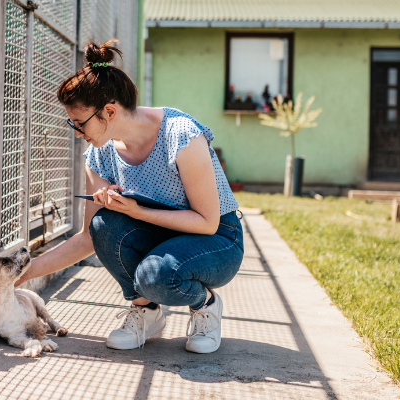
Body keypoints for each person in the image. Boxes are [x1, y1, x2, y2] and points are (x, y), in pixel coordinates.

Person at [12, 40, 244, 354]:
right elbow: (87, 238)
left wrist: (136, 211)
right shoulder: (98, 153)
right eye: (73, 124)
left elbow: (207, 222)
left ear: (109, 111)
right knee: (103, 224)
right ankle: (145, 312)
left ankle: (206, 304)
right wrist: (18, 275)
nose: (77, 133)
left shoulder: (180, 134)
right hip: (165, 235)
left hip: (217, 239)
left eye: (80, 123)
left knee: (156, 276)